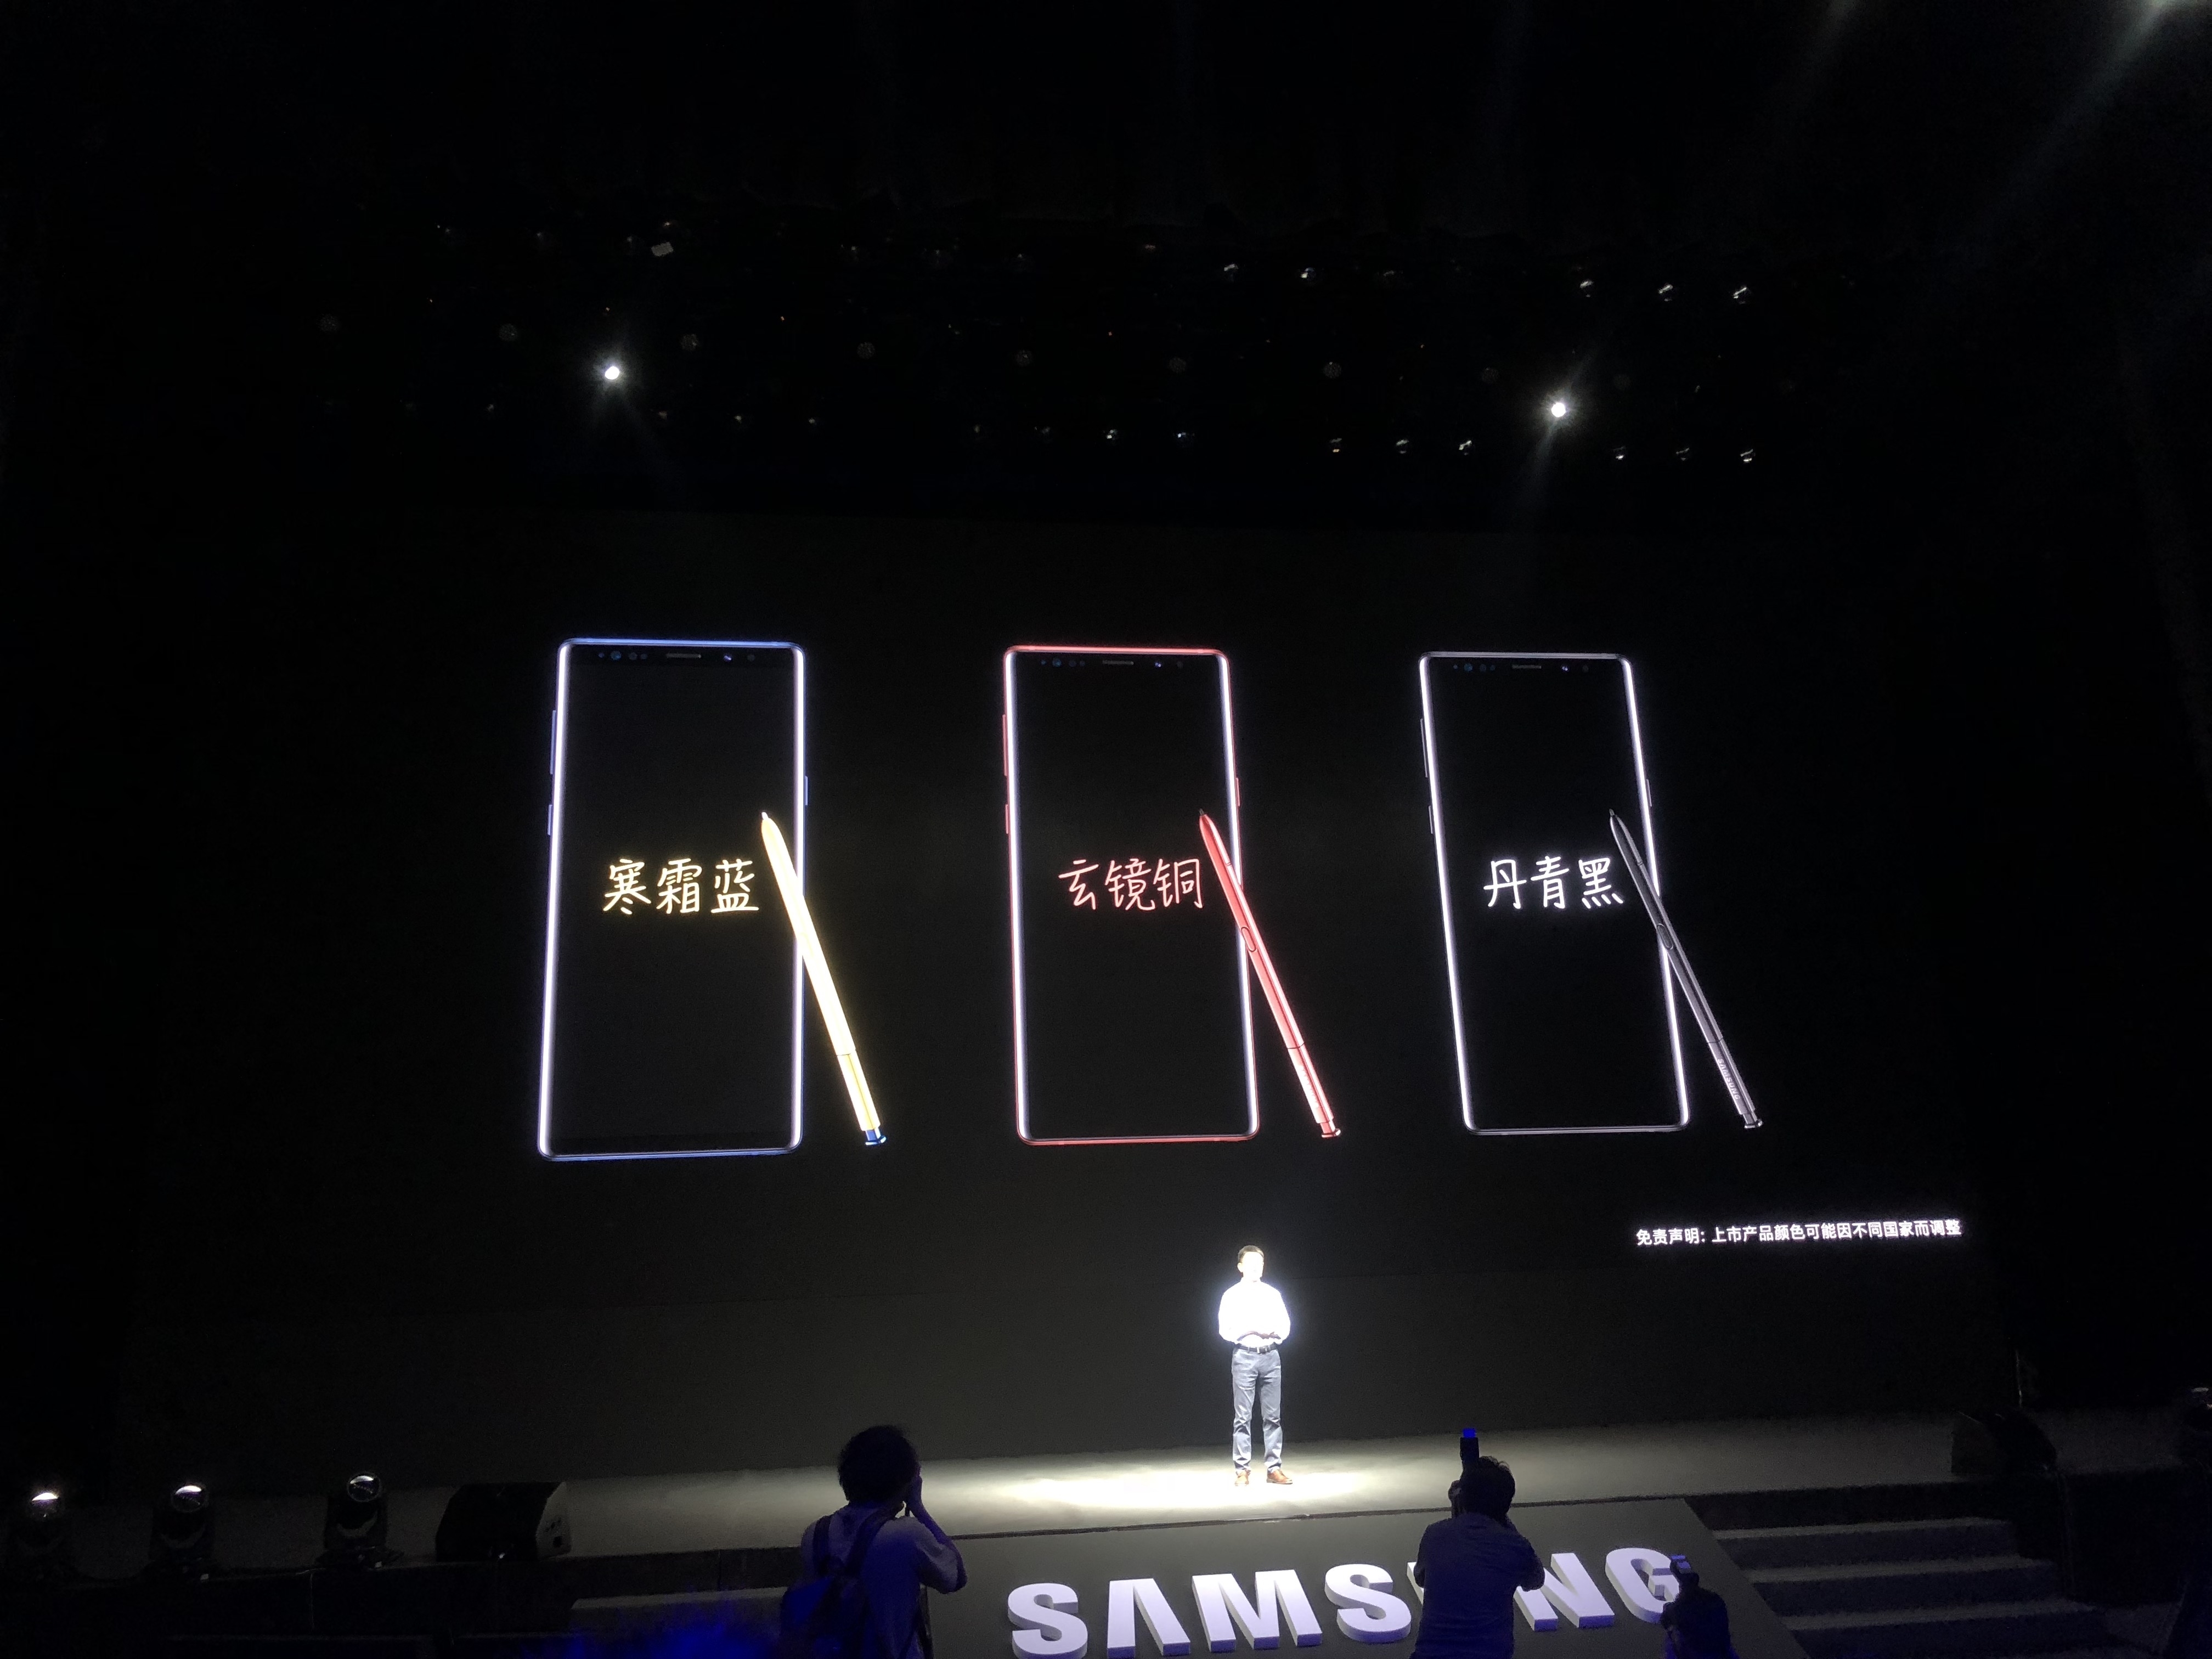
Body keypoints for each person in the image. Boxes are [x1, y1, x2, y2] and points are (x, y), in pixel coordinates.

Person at [787, 1425, 966, 1659]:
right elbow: (955, 1577)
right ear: (906, 1479)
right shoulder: (906, 1535)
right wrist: (918, 1508)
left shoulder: (816, 1534)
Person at [1409, 1454, 1546, 1659]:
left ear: (1463, 1496)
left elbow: (1422, 1578)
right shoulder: (1516, 1546)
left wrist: (1458, 1511)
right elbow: (1536, 1580)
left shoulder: (1435, 1534)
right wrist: (1504, 1523)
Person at [1217, 1244, 1293, 1485]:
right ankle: (1242, 1470)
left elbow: (1286, 1327)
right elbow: (1225, 1330)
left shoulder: (1273, 1294)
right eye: (1250, 1264)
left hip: (1271, 1356)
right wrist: (1249, 1329)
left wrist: (1271, 1332)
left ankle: (1274, 1468)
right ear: (1240, 1267)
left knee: (1273, 1417)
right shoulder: (1231, 1295)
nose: (1255, 1268)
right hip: (1245, 1356)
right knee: (1243, 1416)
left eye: (1259, 1264)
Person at [1661, 1556, 1739, 1659]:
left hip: (1698, 1653)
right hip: (1722, 1650)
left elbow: (1666, 1620)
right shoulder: (1715, 1599)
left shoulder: (1680, 1609)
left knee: (1673, 1638)